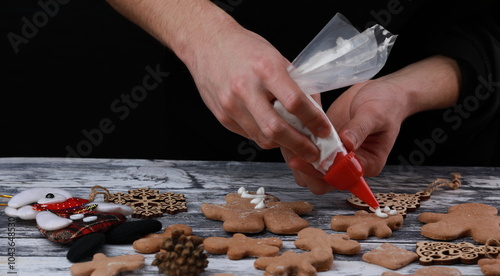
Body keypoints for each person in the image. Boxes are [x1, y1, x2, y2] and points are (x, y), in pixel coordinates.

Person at [105, 0, 500, 194]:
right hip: (210, 164)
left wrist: (401, 92)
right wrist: (202, 34)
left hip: (439, 165)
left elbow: (488, 28)